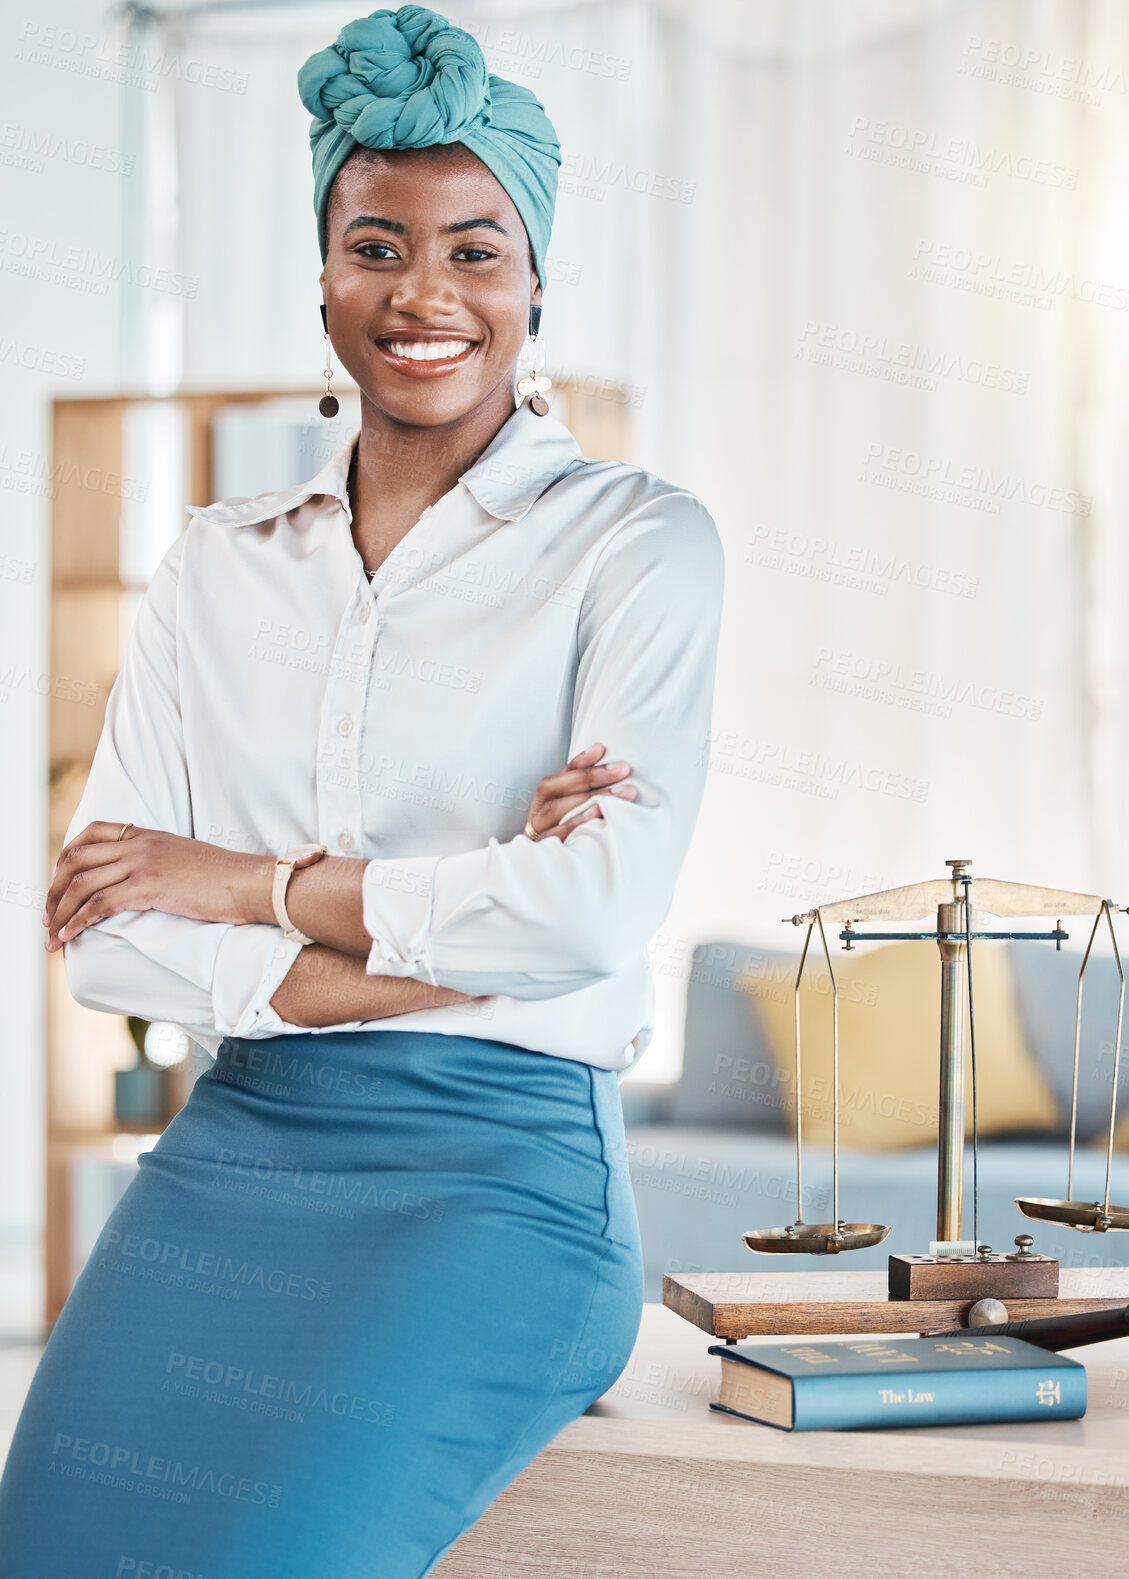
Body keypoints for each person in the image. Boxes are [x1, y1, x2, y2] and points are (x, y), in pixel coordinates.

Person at [0, 7, 724, 1575]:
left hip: (499, 1185)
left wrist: (243, 882)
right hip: (231, 1155)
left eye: (475, 249)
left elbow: (595, 916)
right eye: (376, 243)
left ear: (535, 276)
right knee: (54, 1543)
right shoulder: (216, 565)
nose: (423, 294)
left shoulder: (635, 545)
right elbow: (111, 935)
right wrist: (463, 924)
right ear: (320, 272)